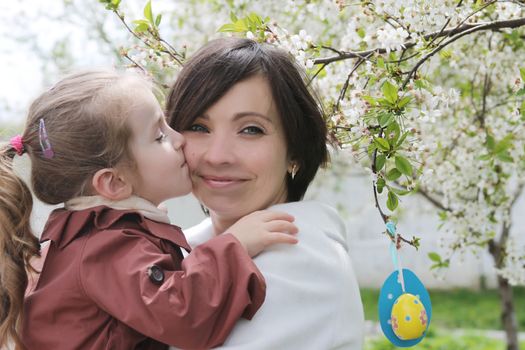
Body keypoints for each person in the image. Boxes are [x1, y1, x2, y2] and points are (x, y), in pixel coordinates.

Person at [0, 70, 299, 350]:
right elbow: (183, 315)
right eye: (159, 136)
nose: (180, 139)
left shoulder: (103, 236)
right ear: (114, 182)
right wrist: (234, 245)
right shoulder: (105, 247)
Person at [167, 38, 365, 349]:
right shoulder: (179, 246)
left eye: (251, 129)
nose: (218, 156)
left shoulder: (302, 261)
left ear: (295, 152)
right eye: (198, 127)